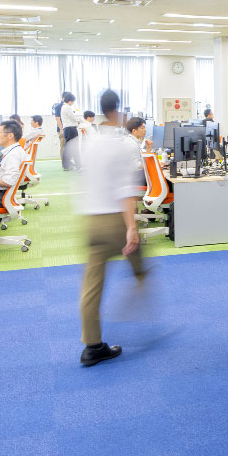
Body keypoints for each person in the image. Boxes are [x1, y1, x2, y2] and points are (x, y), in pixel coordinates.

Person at [75, 88, 148, 368]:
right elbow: (124, 190)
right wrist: (131, 227)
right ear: (117, 112)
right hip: (113, 219)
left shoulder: (85, 143)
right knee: (137, 254)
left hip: (90, 220)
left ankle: (92, 346)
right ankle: (139, 289)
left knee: (91, 286)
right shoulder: (120, 145)